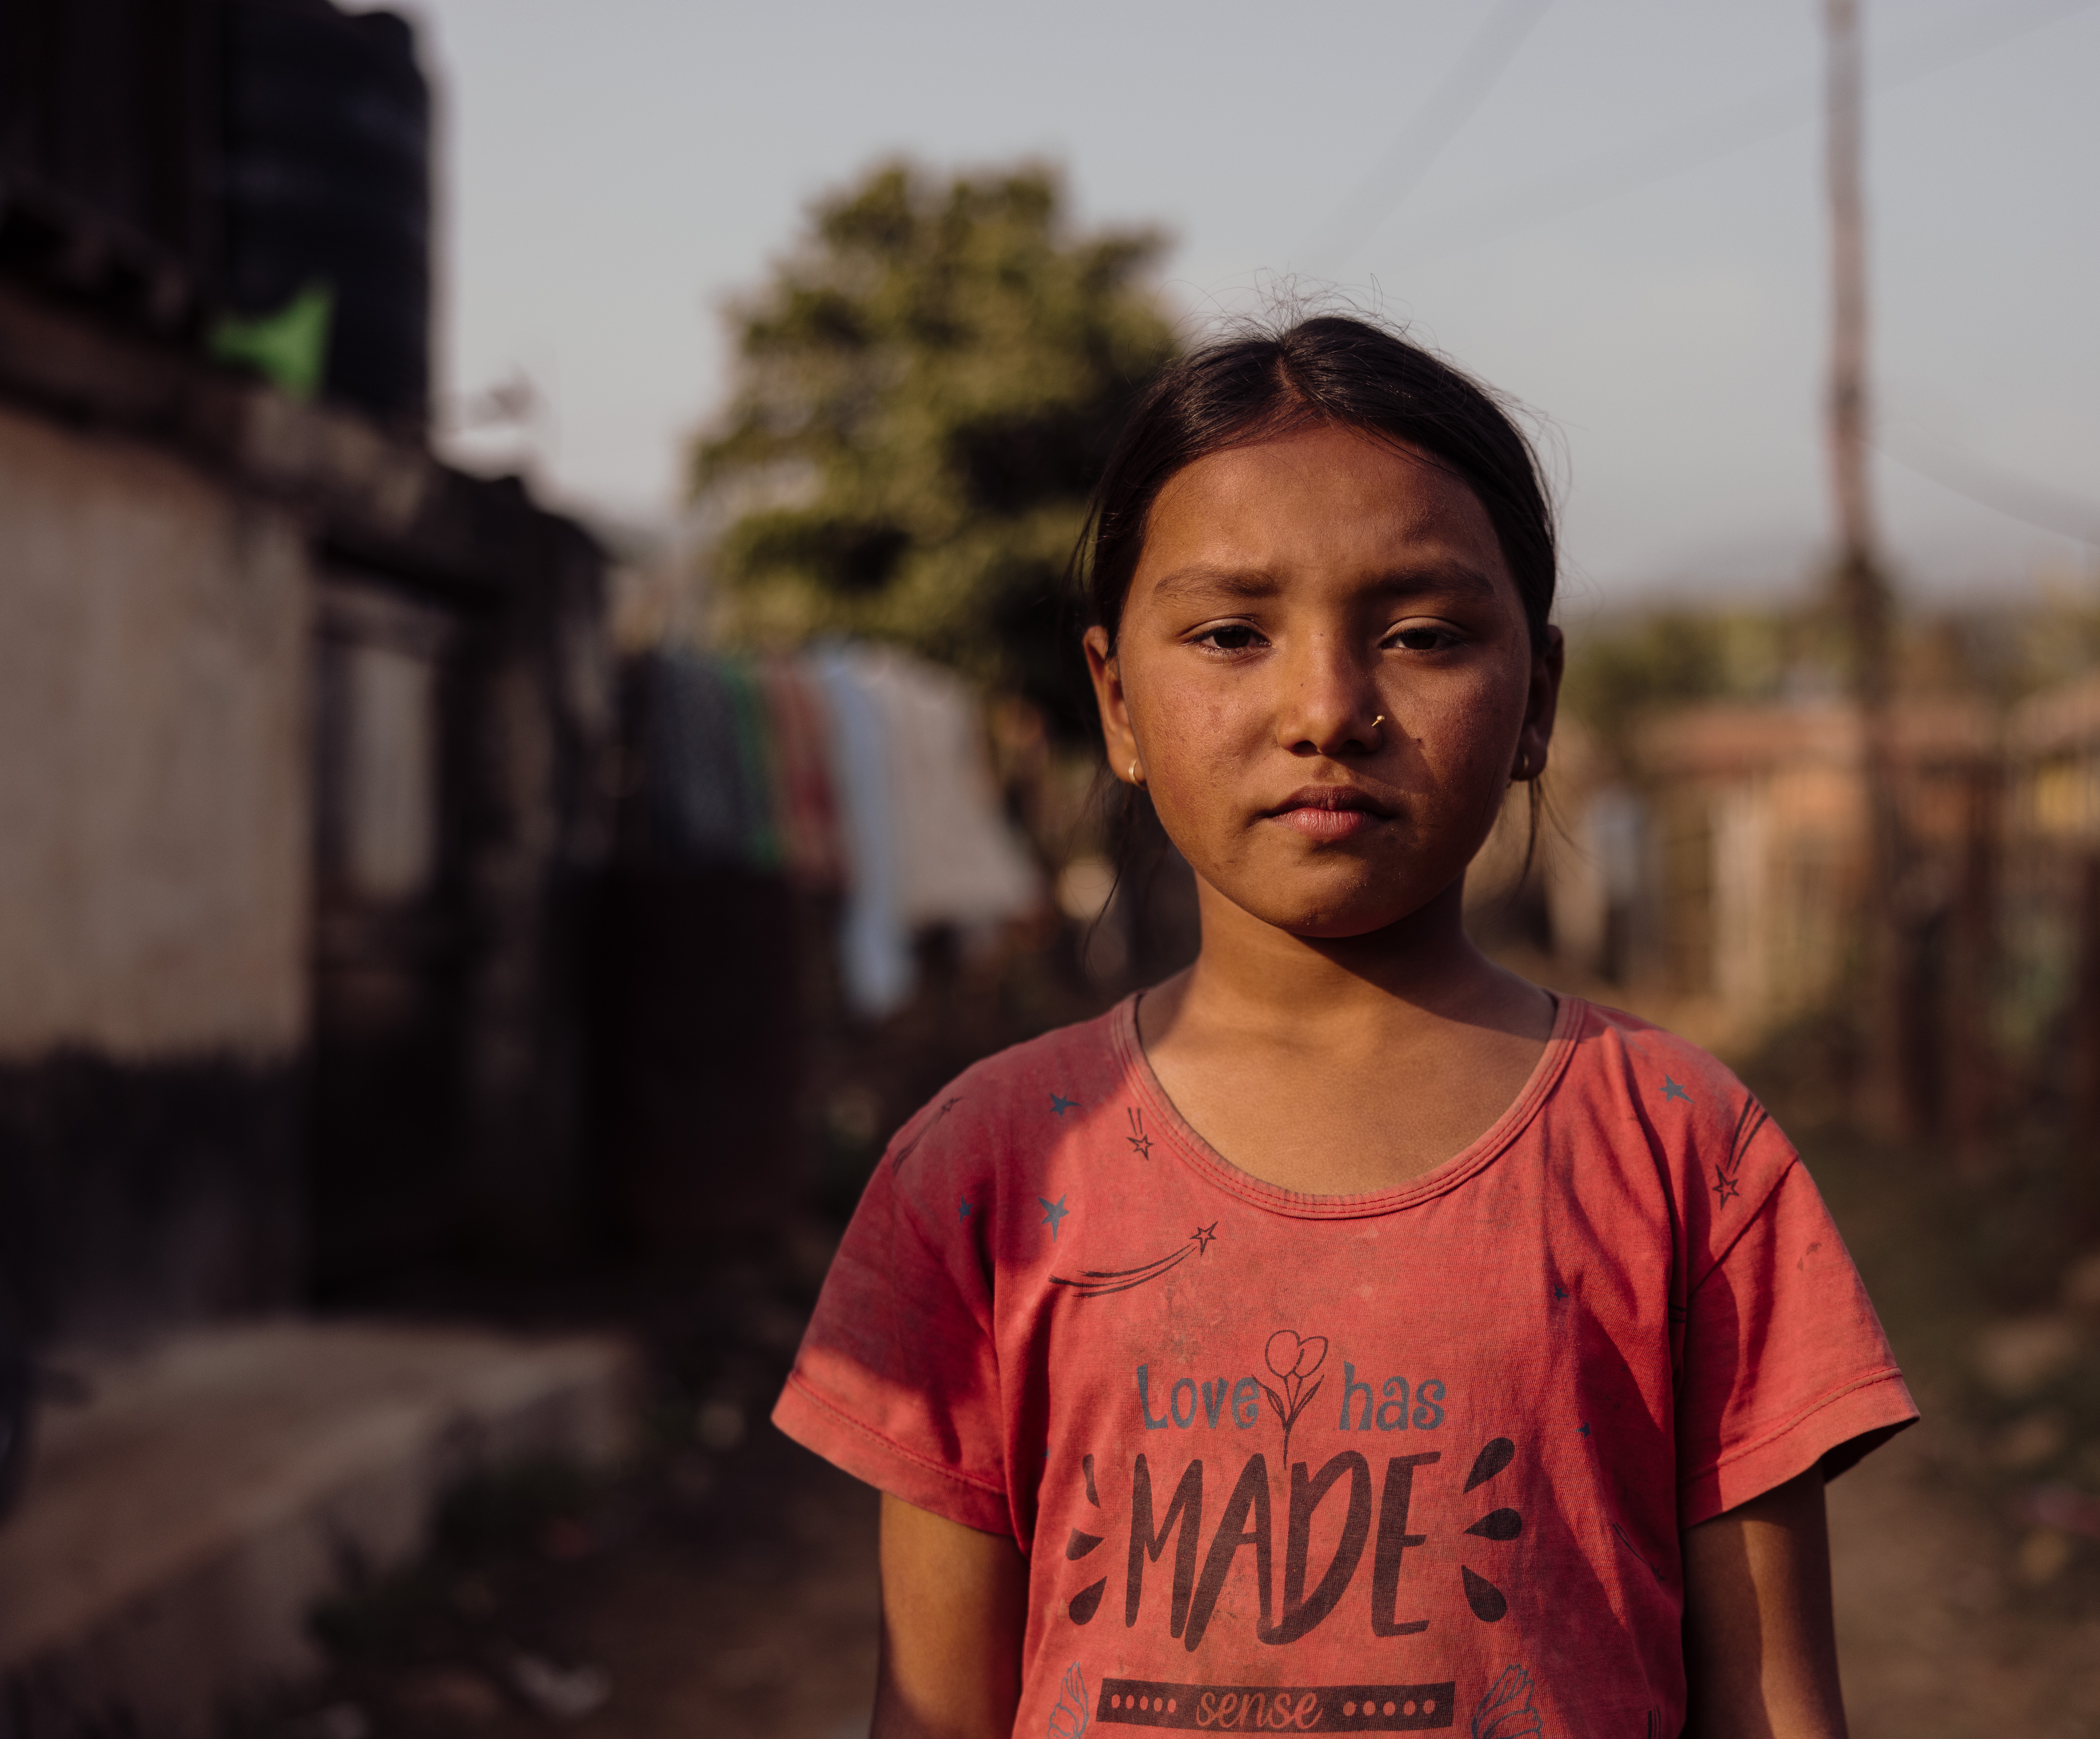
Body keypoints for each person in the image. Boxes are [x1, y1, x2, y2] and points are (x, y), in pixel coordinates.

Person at [774, 315, 1916, 1739]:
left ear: (1537, 701)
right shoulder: (985, 1169)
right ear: (1118, 704)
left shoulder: (1681, 1149)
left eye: (1423, 634)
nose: (1326, 708)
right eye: (1230, 634)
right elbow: (931, 1711)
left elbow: (1771, 1708)